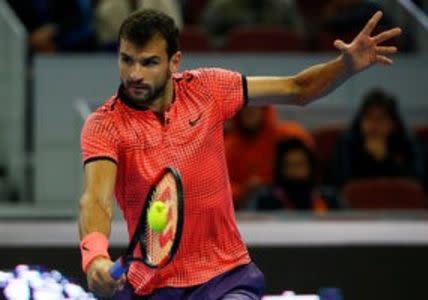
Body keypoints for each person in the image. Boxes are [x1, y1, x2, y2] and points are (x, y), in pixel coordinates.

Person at [78, 9, 401, 299]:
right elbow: (96, 199)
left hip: (224, 277)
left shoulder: (209, 89)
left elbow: (296, 89)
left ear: (174, 61)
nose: (135, 74)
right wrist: (96, 258)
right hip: (150, 284)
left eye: (149, 62)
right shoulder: (106, 125)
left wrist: (344, 67)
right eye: (126, 59)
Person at [224, 106, 315, 209]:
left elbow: (310, 167)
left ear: (265, 110)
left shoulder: (289, 134)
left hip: (289, 197)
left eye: (255, 107)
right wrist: (243, 190)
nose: (250, 111)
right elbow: (219, 189)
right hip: (247, 207)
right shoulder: (227, 147)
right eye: (244, 108)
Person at [327, 89, 419, 188]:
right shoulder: (347, 143)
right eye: (369, 117)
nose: (374, 124)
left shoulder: (405, 143)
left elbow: (416, 183)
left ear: (393, 123)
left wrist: (385, 159)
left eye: (381, 118)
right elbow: (342, 183)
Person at [246, 138, 327, 212]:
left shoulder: (328, 198)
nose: (295, 170)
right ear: (281, 169)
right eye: (289, 165)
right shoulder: (264, 199)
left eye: (300, 164)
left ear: (310, 166)